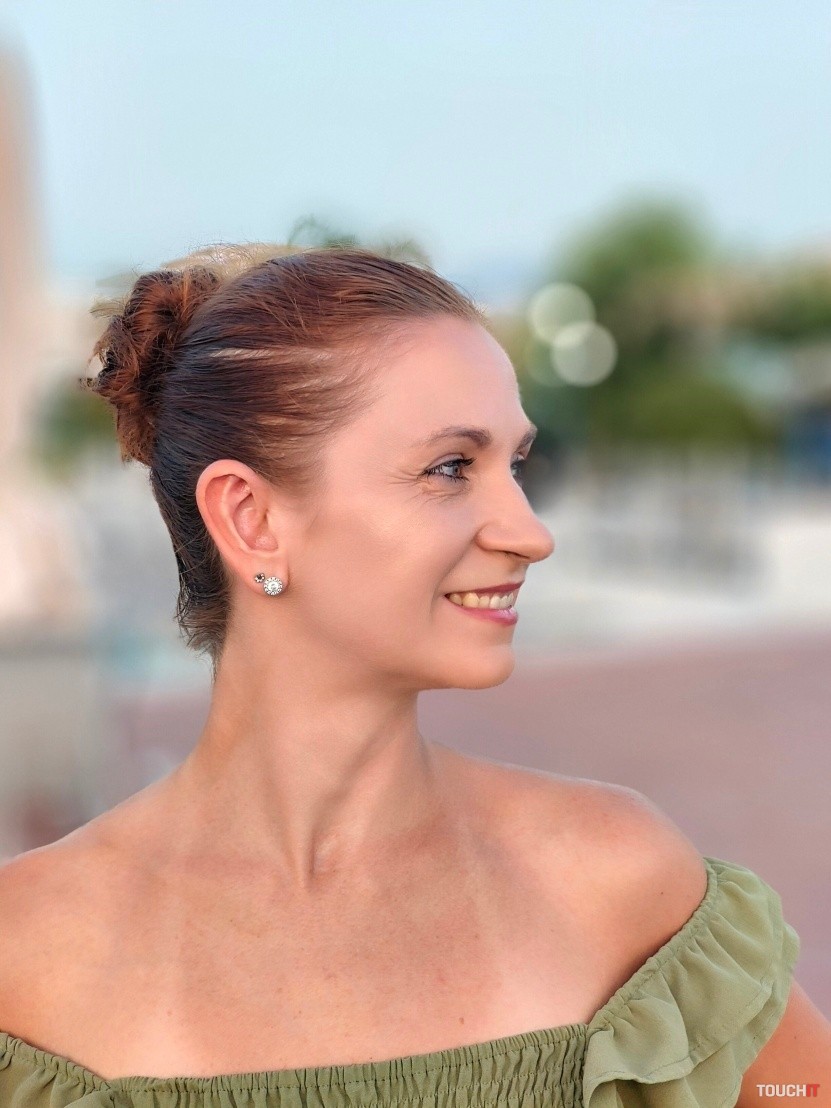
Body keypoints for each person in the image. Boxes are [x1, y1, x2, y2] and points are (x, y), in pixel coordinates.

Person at [0, 244, 828, 1106]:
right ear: (250, 520)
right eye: (450, 468)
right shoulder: (24, 957)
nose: (530, 533)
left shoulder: (618, 881)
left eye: (515, 466)